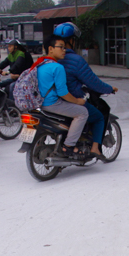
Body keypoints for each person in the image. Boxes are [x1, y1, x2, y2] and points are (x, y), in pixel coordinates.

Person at [53, 22, 117, 161]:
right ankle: (95, 148)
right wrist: (110, 89)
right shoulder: (76, 60)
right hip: (69, 101)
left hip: (50, 101)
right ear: (71, 40)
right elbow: (94, 82)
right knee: (99, 117)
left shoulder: (50, 58)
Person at [36, 35, 88, 158]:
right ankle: (69, 146)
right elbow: (63, 93)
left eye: (64, 48)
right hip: (52, 104)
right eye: (61, 47)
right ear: (51, 49)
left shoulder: (39, 63)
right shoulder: (57, 67)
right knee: (82, 112)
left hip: (38, 104)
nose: (64, 50)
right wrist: (77, 101)